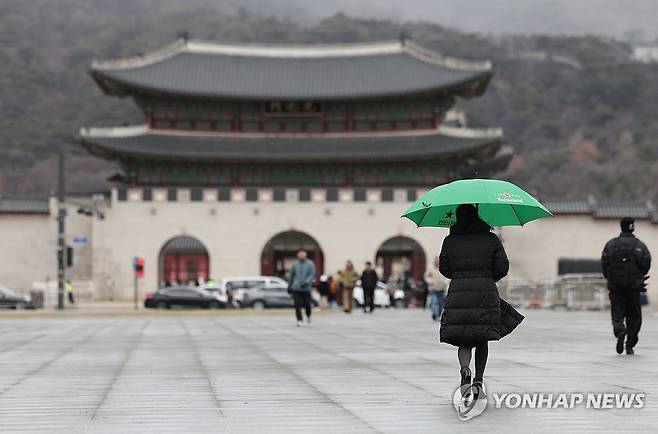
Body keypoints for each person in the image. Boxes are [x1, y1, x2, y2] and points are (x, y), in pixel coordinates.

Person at [439, 204, 510, 400]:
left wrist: (459, 275)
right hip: (485, 291)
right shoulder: (491, 239)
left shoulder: (450, 240)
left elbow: (444, 268)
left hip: (459, 291)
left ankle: (464, 370)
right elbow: (502, 267)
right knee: (481, 337)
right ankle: (478, 381)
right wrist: (488, 276)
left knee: (464, 338)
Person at [601, 217, 651, 355]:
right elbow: (646, 264)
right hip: (633, 287)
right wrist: (638, 277)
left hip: (615, 287)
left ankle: (620, 331)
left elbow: (604, 264)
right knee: (634, 316)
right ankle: (630, 344)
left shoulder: (611, 245)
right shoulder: (639, 246)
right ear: (633, 227)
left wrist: (610, 278)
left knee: (617, 314)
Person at [288, 250, 316, 326]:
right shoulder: (295, 264)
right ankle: (299, 319)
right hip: (296, 287)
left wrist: (306, 282)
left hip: (306, 288)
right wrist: (289, 286)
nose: (301, 256)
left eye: (302, 255)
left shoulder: (310, 264)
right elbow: (292, 275)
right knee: (297, 304)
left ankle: (308, 315)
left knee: (307, 304)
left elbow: (312, 274)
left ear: (305, 255)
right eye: (299, 255)